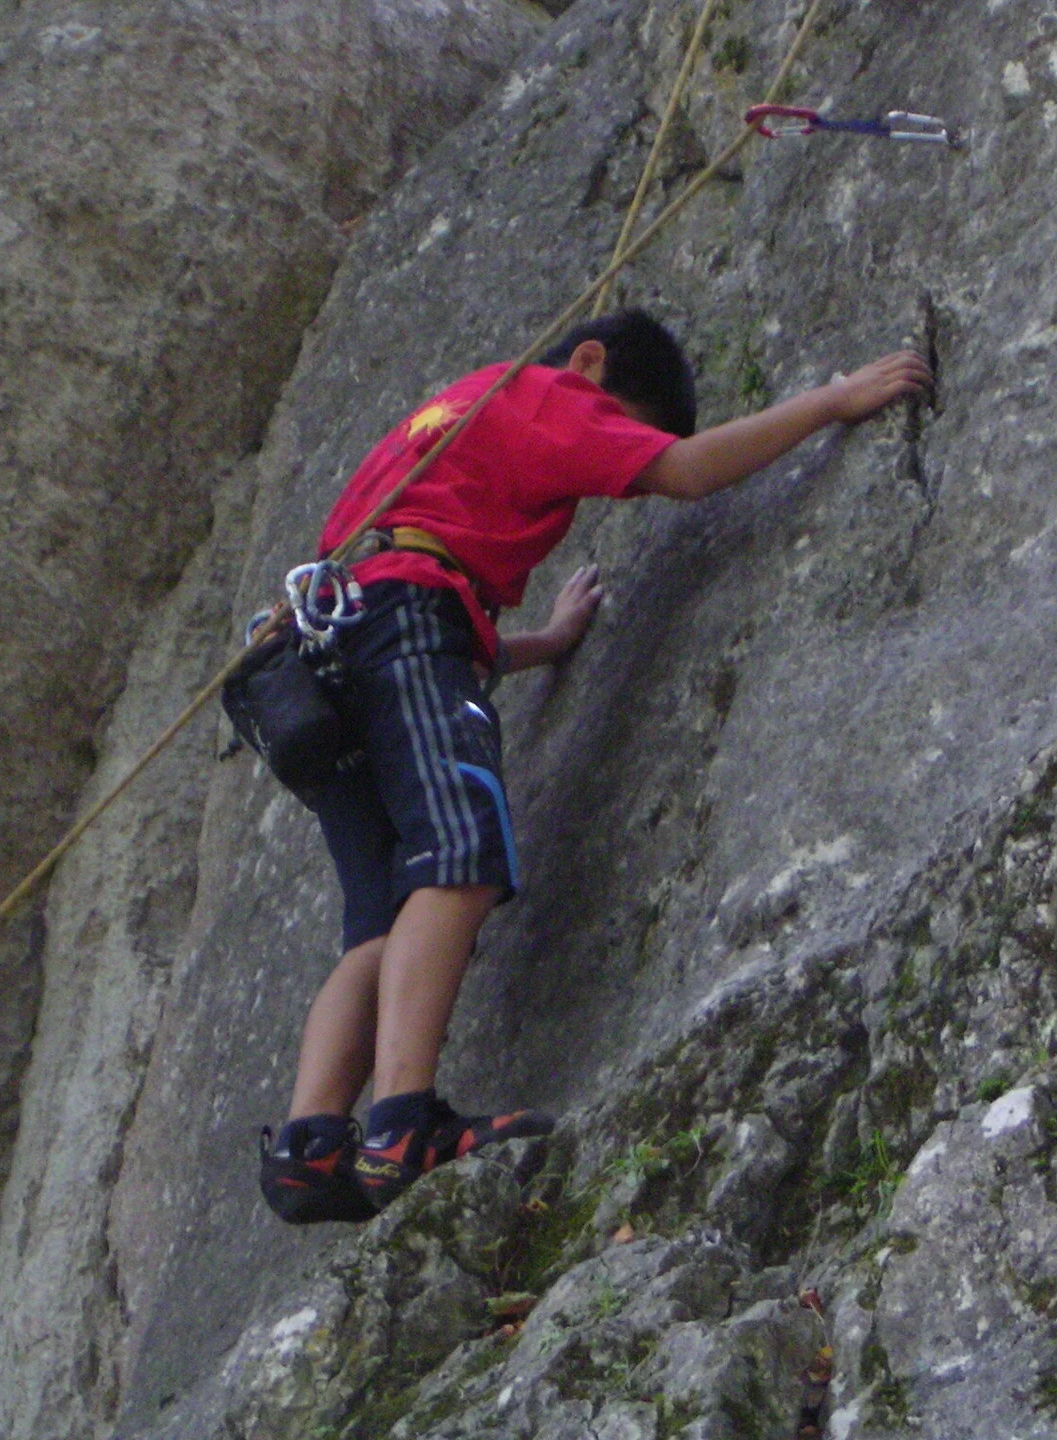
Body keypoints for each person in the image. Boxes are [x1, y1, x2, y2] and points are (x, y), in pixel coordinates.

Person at [259, 310, 932, 1224]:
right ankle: (403, 1124)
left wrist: (541, 641)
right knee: (458, 855)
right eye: (625, 424)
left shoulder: (443, 422)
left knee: (377, 920)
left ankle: (310, 1149)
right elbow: (685, 473)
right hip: (406, 624)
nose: (618, 453)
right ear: (588, 362)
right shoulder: (544, 391)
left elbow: (403, 620)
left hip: (322, 657)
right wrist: (832, 399)